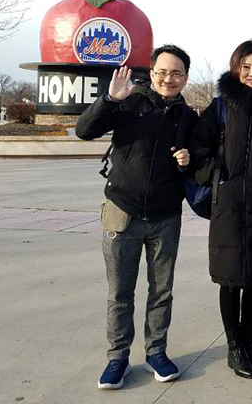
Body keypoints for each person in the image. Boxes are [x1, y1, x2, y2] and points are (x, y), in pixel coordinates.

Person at [76, 44, 197, 390]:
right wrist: (109, 100)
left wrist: (188, 160)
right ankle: (118, 358)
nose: (168, 79)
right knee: (120, 292)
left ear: (185, 77)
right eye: (162, 72)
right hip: (122, 212)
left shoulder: (187, 117)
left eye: (176, 73)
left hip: (165, 216)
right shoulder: (129, 101)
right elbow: (85, 131)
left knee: (162, 290)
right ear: (152, 72)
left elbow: (201, 159)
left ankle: (156, 351)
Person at [188, 40, 252, 379]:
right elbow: (198, 149)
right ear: (235, 68)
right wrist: (218, 179)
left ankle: (248, 341)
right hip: (228, 205)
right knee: (230, 280)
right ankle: (234, 347)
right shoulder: (220, 106)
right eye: (245, 67)